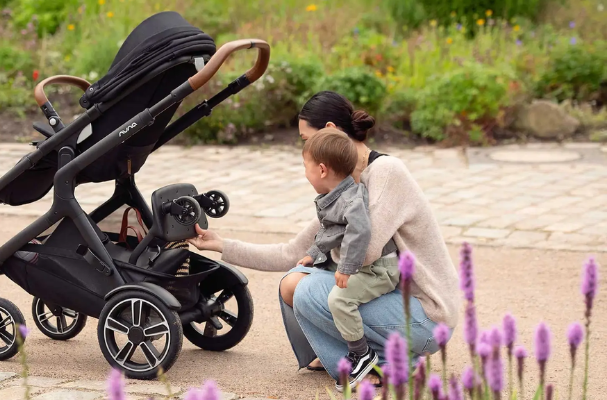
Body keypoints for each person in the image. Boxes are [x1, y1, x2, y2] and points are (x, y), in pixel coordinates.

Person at [188, 91, 460, 388]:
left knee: (304, 288)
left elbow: (365, 252)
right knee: (294, 279)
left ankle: (381, 364)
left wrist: (320, 255)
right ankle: (354, 358)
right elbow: (291, 252)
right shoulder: (343, 187)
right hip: (394, 303)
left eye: (306, 140)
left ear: (329, 131)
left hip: (427, 317)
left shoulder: (386, 172)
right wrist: (221, 244)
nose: (304, 149)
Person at [297, 128, 400, 388]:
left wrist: (346, 267)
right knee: (332, 294)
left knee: (339, 299)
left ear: (321, 170)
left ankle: (362, 354)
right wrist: (313, 254)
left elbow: (359, 231)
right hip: (365, 268)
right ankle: (347, 352)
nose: (305, 173)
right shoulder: (336, 197)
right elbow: (331, 230)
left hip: (379, 270)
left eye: (305, 166)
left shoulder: (351, 198)